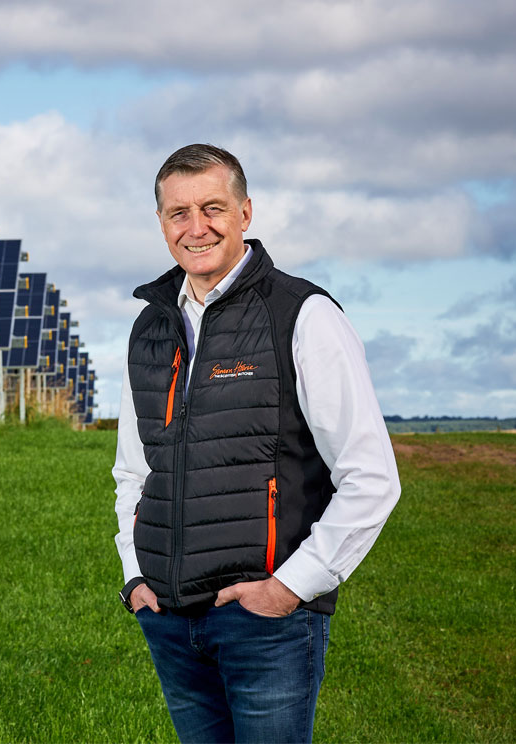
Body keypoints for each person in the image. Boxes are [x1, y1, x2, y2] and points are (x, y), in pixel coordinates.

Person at [113, 144, 401, 744]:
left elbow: (371, 476)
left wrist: (290, 588)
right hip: (169, 620)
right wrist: (137, 576)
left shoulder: (302, 314)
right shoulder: (151, 327)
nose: (197, 228)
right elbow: (136, 471)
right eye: (178, 213)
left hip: (264, 621)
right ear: (162, 224)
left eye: (213, 208)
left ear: (246, 212)